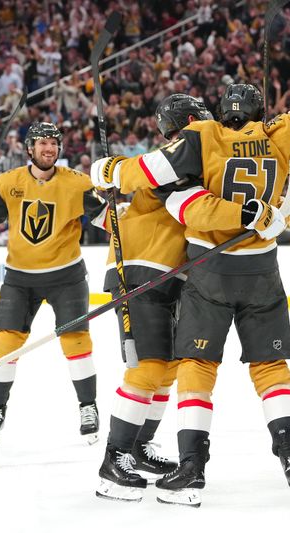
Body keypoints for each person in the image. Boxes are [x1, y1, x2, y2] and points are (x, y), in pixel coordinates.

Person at [91, 31, 290, 506]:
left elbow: (163, 187)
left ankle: (186, 464)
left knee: (188, 366)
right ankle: (289, 454)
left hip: (203, 272)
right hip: (245, 270)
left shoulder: (198, 142)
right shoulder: (279, 136)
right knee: (255, 366)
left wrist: (108, 173)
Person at [0, 122, 108, 447]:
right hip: (19, 278)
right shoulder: (9, 182)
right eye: (42, 143)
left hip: (66, 276)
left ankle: (87, 407)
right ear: (29, 148)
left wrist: (123, 215)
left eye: (53, 143)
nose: (48, 149)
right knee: (5, 346)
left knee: (76, 342)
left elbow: (105, 218)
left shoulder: (77, 183)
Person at [96, 94, 213, 502]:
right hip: (142, 270)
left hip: (169, 274)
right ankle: (113, 463)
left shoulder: (189, 157)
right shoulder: (173, 157)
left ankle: (138, 449)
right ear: (190, 122)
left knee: (168, 369)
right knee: (147, 369)